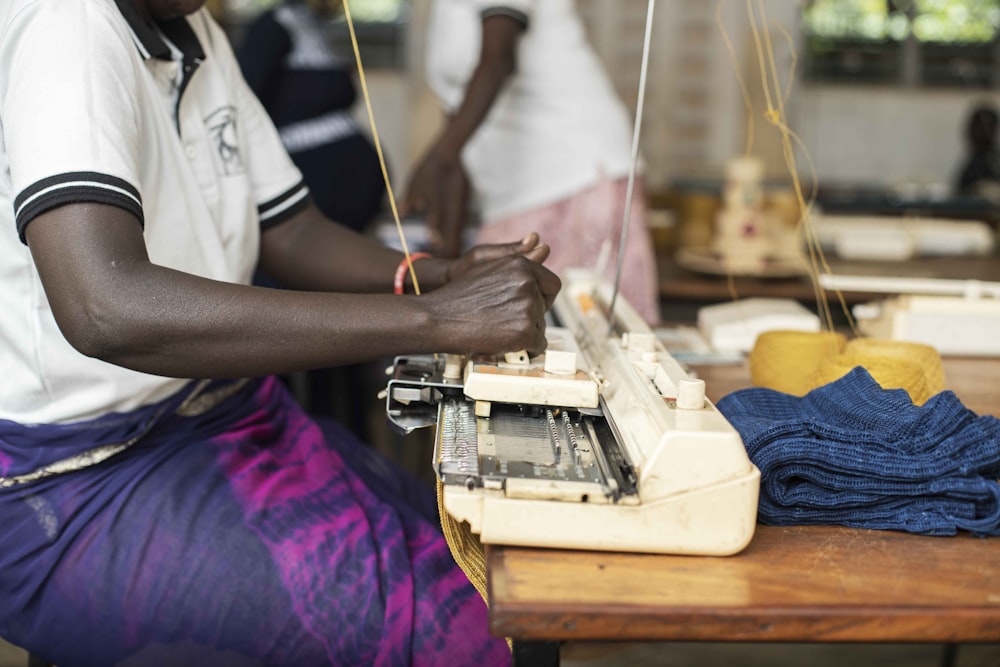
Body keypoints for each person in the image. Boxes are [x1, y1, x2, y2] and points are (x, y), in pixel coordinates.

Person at [0, 1, 560, 666]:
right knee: (451, 628)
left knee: (478, 563)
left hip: (218, 416)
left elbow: (290, 227)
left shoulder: (194, 28)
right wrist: (438, 320)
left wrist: (436, 276)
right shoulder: (67, 25)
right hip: (79, 481)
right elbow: (104, 305)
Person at [404, 0, 660, 325]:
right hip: (514, 186)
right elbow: (460, 123)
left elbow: (498, 60)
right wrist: (446, 262)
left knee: (583, 339)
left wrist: (436, 162)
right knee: (498, 328)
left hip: (574, 171)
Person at [236, 0, 388, 431]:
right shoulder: (272, 27)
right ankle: (315, 427)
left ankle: (347, 425)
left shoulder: (312, 29)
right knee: (320, 317)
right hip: (307, 209)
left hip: (340, 206)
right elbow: (248, 109)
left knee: (344, 318)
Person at [956, 102, 1000, 198]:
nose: (978, 131)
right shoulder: (973, 162)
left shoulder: (994, 163)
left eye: (985, 126)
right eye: (975, 126)